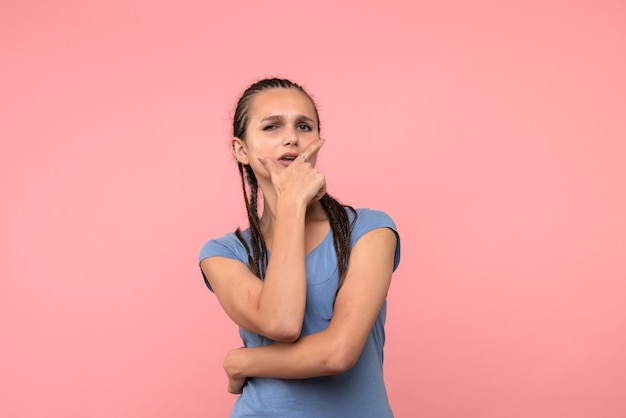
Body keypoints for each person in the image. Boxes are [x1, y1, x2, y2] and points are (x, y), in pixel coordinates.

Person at [198, 78, 401, 417]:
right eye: (272, 126)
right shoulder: (224, 253)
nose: (291, 137)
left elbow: (337, 353)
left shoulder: (370, 230)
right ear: (241, 149)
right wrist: (292, 204)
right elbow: (281, 323)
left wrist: (242, 361)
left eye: (303, 126)